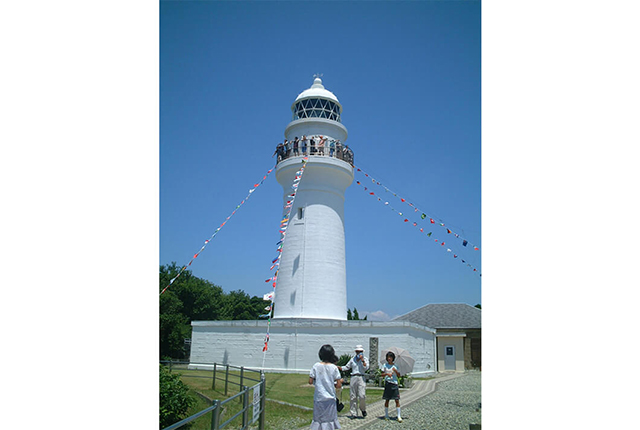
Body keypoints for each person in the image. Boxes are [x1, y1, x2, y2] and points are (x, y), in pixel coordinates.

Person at [309, 344, 343, 429]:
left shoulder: (316, 366)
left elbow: (310, 381)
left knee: (318, 420)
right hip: (330, 398)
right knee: (329, 420)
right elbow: (338, 385)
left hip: (319, 397)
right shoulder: (334, 368)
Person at [341, 345, 368, 419]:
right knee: (353, 396)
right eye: (358, 351)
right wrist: (339, 368)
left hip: (361, 377)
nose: (359, 353)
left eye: (361, 352)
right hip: (353, 377)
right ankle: (353, 413)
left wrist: (362, 361)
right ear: (356, 352)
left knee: (362, 395)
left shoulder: (365, 359)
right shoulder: (352, 359)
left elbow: (366, 368)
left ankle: (363, 409)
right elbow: (347, 367)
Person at [381, 351, 402, 422]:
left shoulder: (395, 366)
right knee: (387, 399)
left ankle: (399, 416)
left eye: (390, 357)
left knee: (397, 399)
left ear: (393, 358)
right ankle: (386, 415)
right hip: (388, 383)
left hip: (394, 383)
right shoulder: (385, 365)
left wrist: (395, 371)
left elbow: (399, 375)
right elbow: (382, 374)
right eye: (388, 357)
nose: (389, 359)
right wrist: (387, 374)